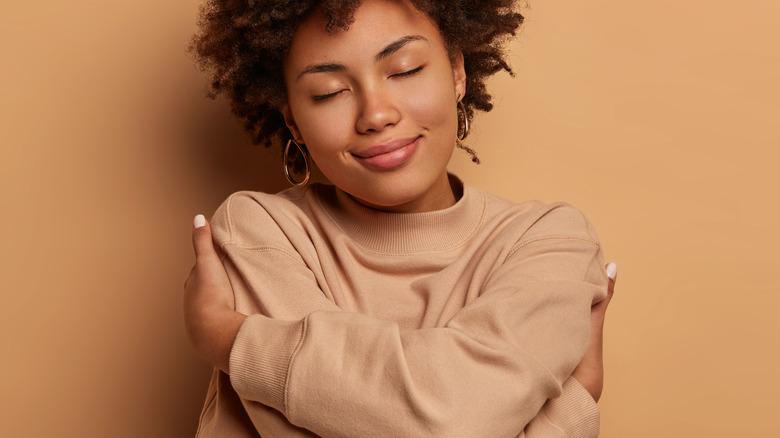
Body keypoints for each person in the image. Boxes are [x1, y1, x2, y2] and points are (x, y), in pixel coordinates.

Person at [183, 0, 617, 436]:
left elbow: (445, 420)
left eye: (405, 69)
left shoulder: (548, 241)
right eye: (329, 92)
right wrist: (567, 414)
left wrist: (232, 341)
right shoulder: (259, 231)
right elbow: (447, 421)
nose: (375, 115)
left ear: (457, 73)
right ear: (294, 122)